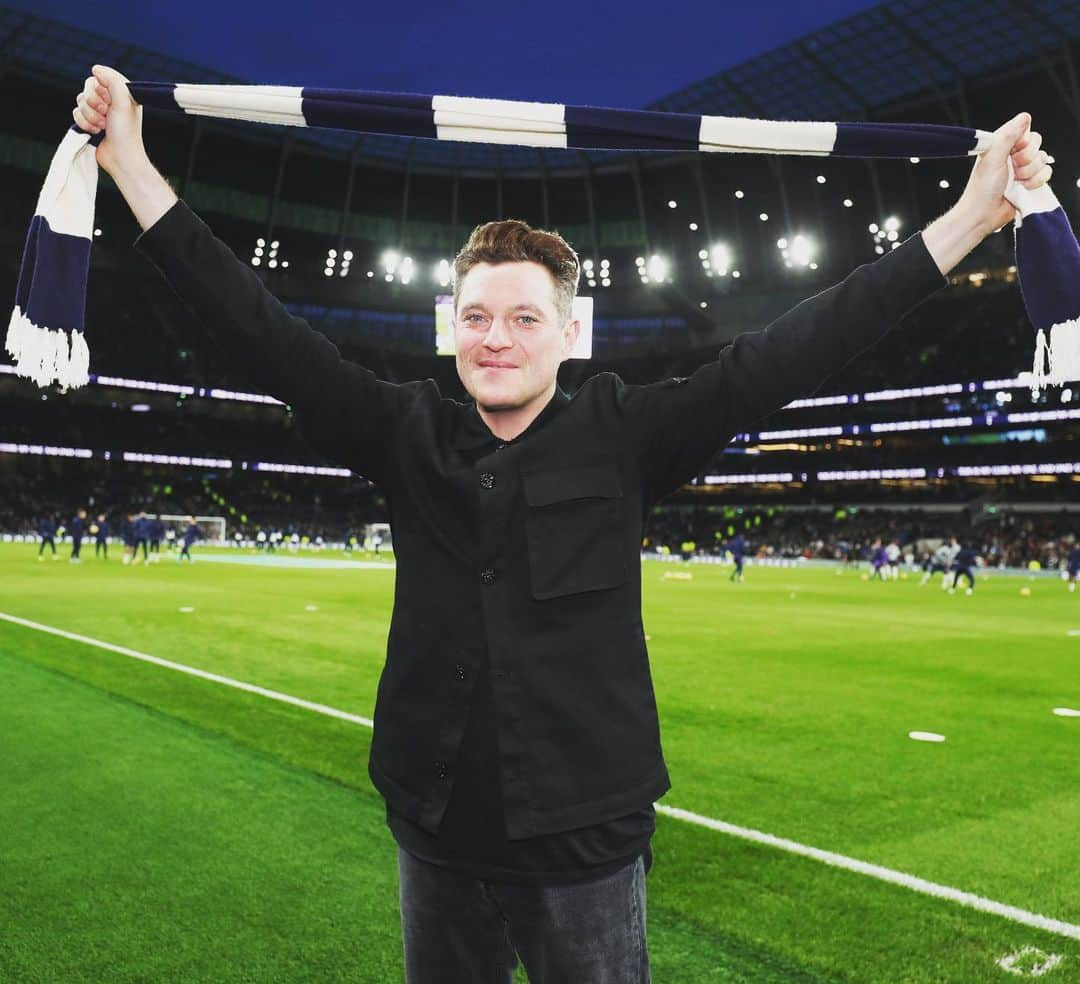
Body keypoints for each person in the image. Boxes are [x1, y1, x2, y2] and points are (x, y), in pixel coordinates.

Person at [77, 62, 1052, 983]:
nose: (495, 336)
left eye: (524, 317)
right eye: (475, 316)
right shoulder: (401, 430)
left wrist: (969, 218)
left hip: (587, 847)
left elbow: (799, 348)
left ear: (570, 332)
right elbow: (255, 326)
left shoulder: (627, 432)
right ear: (448, 326)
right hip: (437, 833)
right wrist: (127, 160)